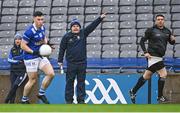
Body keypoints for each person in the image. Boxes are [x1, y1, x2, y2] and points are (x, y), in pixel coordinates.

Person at [58, 13, 106, 104]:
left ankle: (81, 100)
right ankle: (69, 100)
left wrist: (100, 18)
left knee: (81, 82)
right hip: (71, 63)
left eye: (77, 26)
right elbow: (62, 48)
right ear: (71, 27)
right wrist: (60, 60)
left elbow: (92, 26)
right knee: (69, 82)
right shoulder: (66, 37)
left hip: (82, 63)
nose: (75, 27)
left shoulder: (83, 33)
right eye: (74, 26)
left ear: (79, 27)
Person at [129, 14, 176, 104]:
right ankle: (160, 97)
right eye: (158, 19)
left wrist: (173, 40)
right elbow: (142, 41)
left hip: (160, 57)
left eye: (162, 19)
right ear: (155, 20)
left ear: (164, 20)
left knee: (146, 76)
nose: (160, 21)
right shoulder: (151, 30)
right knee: (163, 74)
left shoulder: (167, 31)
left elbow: (171, 42)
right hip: (152, 56)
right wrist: (145, 52)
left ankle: (133, 91)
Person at [20, 11, 55, 104]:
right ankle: (24, 99)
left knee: (51, 74)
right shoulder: (29, 31)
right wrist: (33, 51)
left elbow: (43, 38)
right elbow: (23, 45)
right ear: (34, 19)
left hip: (39, 55)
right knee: (33, 80)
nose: (40, 21)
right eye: (38, 19)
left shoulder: (42, 27)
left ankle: (41, 93)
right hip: (30, 57)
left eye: (42, 19)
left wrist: (47, 45)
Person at [4, 33, 27, 103]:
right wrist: (17, 61)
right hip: (13, 70)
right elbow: (9, 59)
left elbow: (23, 57)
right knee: (12, 86)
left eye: (19, 39)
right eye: (16, 39)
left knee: (15, 85)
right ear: (14, 40)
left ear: (21, 40)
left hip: (22, 71)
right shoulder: (12, 49)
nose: (17, 40)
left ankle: (7, 99)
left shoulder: (24, 48)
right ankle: (11, 103)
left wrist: (15, 59)